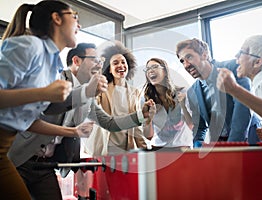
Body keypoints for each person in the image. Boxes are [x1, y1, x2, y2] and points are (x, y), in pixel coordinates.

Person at [8, 42, 156, 200]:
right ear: (77, 61)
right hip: (19, 159)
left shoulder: (89, 96)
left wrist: (141, 115)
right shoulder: (54, 79)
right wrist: (85, 94)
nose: (99, 65)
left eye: (100, 61)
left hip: (45, 166)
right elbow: (50, 107)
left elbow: (109, 123)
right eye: (95, 60)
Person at [0, 1, 94, 199]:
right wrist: (43, 93)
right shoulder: (30, 45)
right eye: (74, 16)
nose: (79, 25)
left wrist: (73, 130)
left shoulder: (52, 64)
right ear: (57, 18)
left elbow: (28, 121)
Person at [176, 38, 262, 146]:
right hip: (220, 143)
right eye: (182, 61)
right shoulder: (192, 92)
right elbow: (200, 126)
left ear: (204, 54)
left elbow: (243, 109)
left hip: (250, 138)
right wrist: (197, 144)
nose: (186, 65)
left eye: (189, 57)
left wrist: (232, 147)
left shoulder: (233, 68)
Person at [97, 41, 148, 154]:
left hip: (126, 147)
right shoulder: (102, 90)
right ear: (109, 69)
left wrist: (145, 149)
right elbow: (91, 103)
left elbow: (137, 122)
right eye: (115, 63)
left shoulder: (135, 93)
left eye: (123, 62)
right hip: (106, 145)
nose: (120, 65)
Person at [142, 57, 193, 149]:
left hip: (182, 147)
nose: (150, 70)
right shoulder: (146, 100)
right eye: (148, 69)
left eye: (154, 67)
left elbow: (192, 125)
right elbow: (148, 136)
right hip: (158, 148)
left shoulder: (183, 93)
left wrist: (183, 106)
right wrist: (148, 118)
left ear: (165, 71)